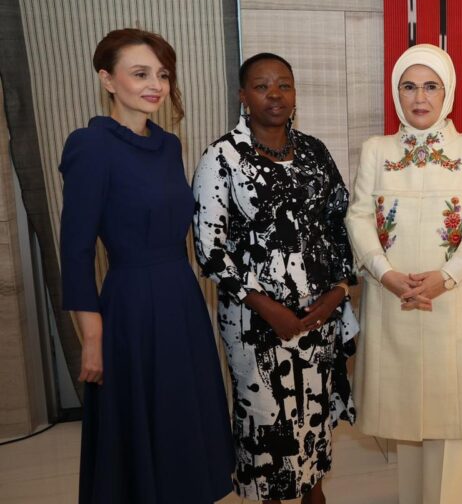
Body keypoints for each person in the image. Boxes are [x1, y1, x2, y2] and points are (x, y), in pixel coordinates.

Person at [59, 28, 234, 503]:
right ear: (107, 80)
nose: (156, 85)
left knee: (182, 418)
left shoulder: (168, 145)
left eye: (162, 74)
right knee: (138, 431)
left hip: (181, 297)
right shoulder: (90, 145)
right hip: (131, 306)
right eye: (140, 74)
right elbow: (75, 252)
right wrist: (92, 338)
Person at [192, 53, 358, 504]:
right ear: (243, 96)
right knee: (267, 422)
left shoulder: (314, 152)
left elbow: (340, 222)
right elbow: (210, 248)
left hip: (319, 316)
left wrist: (339, 291)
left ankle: (315, 493)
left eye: (284, 84)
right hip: (255, 323)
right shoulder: (222, 157)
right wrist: (267, 307)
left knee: (314, 412)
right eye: (262, 86)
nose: (275, 95)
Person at [345, 44, 462, 504]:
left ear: (448, 91)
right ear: (396, 93)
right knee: (407, 423)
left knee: (455, 425)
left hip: (456, 303)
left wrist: (446, 277)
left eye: (431, 86)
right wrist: (385, 274)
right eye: (409, 86)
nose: (420, 97)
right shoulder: (376, 150)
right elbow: (358, 216)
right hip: (393, 299)